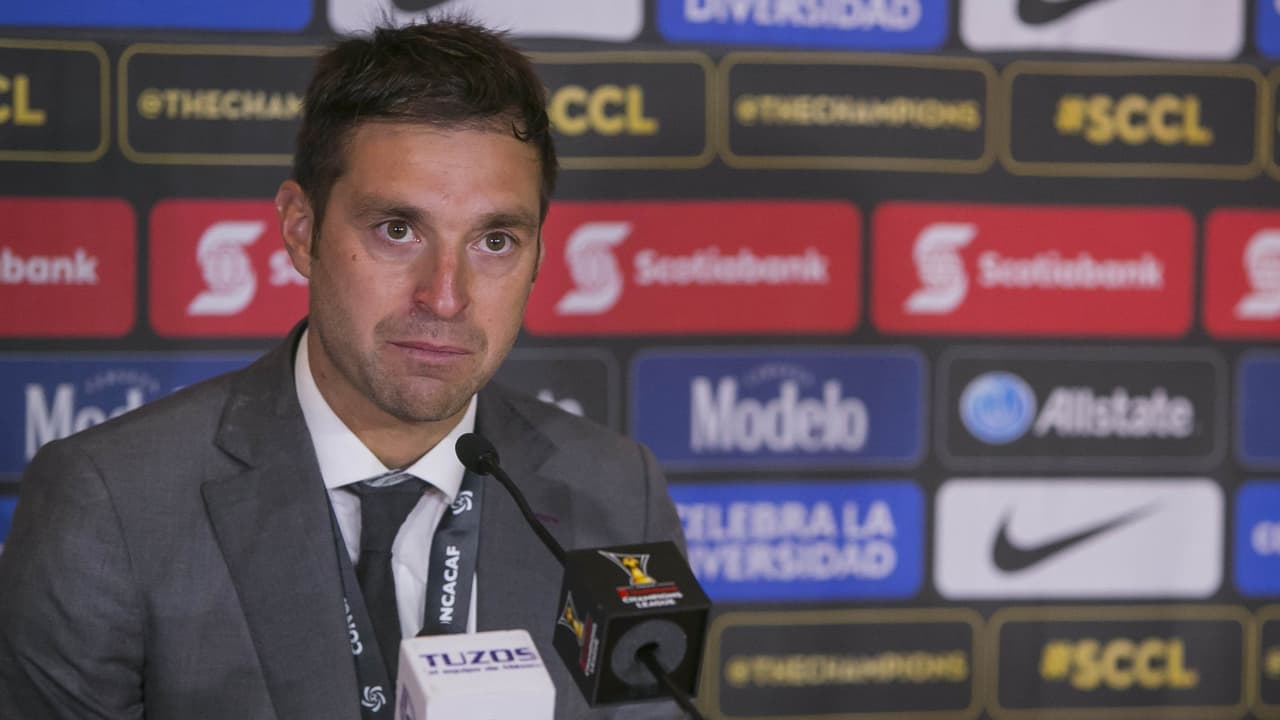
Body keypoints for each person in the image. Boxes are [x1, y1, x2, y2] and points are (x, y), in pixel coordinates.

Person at [0, 18, 685, 720]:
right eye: (397, 230)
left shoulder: (616, 492)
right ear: (301, 231)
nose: (445, 297)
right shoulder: (111, 504)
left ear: (538, 255)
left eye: (496, 240)